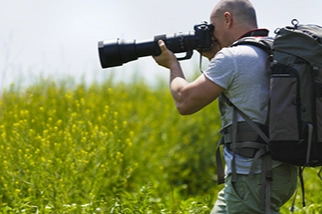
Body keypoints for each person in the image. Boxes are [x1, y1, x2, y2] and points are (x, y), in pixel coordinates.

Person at [153, 0, 297, 213]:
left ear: (227, 19)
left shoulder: (232, 58)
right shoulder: (275, 49)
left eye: (212, 27)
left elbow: (184, 101)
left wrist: (172, 65)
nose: (211, 34)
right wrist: (214, 56)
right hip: (281, 172)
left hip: (253, 174)